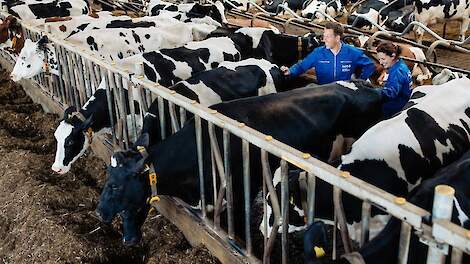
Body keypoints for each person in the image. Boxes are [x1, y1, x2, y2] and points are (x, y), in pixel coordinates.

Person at [280, 22, 376, 85]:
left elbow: (369, 65)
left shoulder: (352, 52)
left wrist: (360, 81)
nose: (324, 39)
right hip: (324, 90)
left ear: (337, 38)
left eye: (328, 36)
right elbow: (302, 66)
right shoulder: (318, 52)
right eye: (324, 36)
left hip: (344, 92)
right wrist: (290, 71)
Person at [376, 41, 412, 118]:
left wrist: (373, 91)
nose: (380, 62)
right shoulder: (401, 64)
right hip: (403, 102)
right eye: (379, 59)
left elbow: (391, 93)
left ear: (393, 56)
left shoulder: (397, 72)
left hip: (395, 108)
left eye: (383, 59)